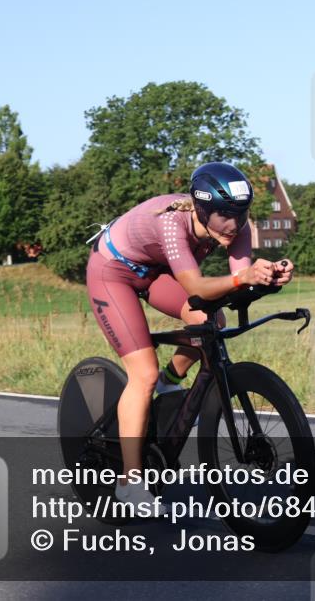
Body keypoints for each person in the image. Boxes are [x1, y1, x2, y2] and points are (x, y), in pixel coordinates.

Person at [84, 162, 294, 512]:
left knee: (212, 321)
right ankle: (129, 483)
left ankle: (171, 382)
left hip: (153, 272)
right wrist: (245, 278)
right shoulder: (171, 222)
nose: (232, 225)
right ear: (201, 209)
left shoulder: (236, 226)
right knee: (142, 373)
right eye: (223, 216)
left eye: (239, 215)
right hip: (113, 271)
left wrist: (267, 277)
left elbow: (238, 281)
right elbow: (196, 286)